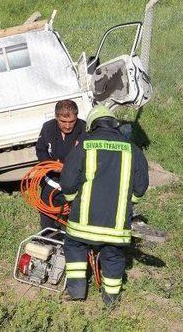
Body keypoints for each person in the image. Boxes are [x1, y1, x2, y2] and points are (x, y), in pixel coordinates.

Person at [59, 105, 148, 306]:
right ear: (115, 126)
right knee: (113, 256)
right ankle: (111, 300)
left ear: (92, 125)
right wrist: (127, 204)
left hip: (82, 223)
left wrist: (73, 200)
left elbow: (67, 182)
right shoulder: (132, 149)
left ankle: (76, 291)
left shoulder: (84, 145)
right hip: (116, 227)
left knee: (74, 246)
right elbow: (141, 187)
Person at [35, 99, 86, 229]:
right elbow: (40, 150)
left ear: (77, 117)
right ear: (56, 117)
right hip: (52, 181)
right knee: (47, 220)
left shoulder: (84, 128)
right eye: (63, 122)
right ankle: (49, 240)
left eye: (71, 122)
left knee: (77, 220)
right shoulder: (48, 128)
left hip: (76, 183)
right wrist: (50, 164)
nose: (68, 126)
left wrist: (69, 167)